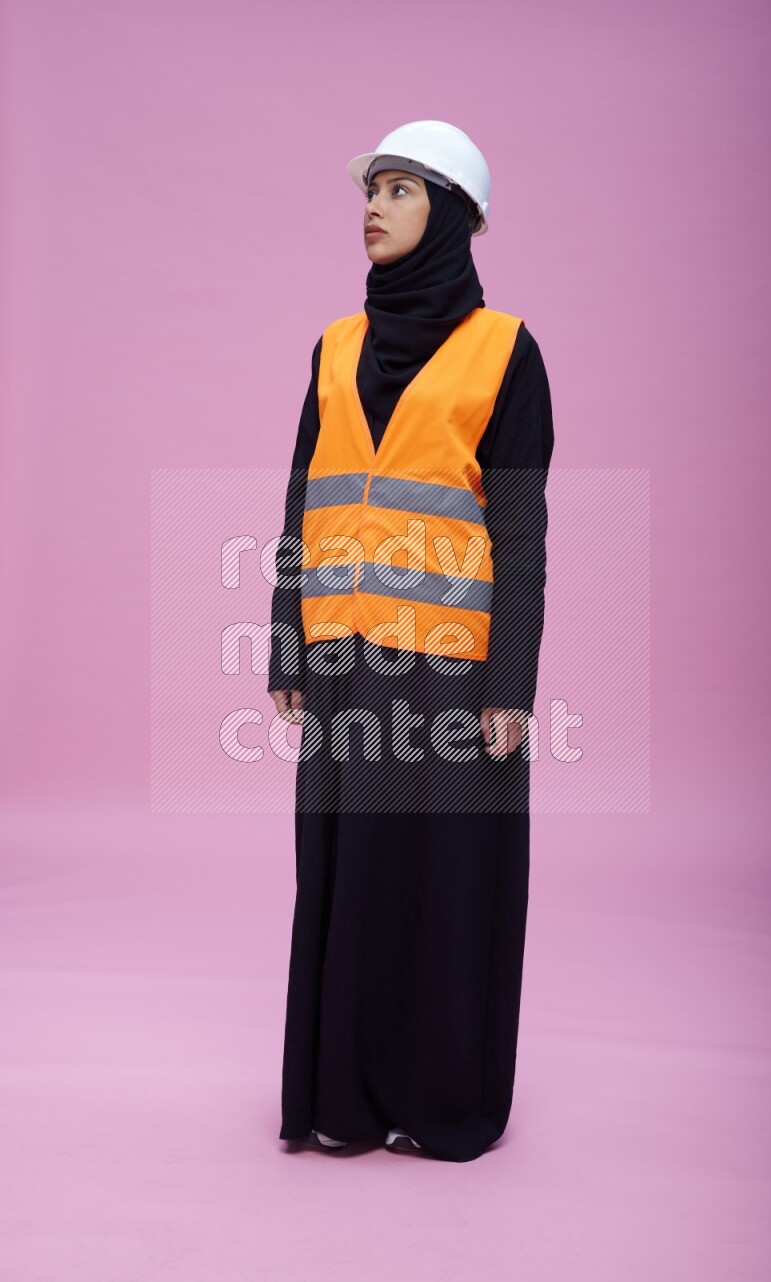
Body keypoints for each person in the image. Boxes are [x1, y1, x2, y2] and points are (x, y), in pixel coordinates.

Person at [267, 120, 554, 1163]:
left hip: (450, 673)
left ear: (454, 216)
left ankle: (439, 1100)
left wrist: (510, 686)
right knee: (345, 873)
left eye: (400, 190)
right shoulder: (335, 347)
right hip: (343, 659)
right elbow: (303, 498)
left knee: (443, 881)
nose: (373, 208)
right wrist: (286, 641)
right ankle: (342, 1100)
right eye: (371, 190)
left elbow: (518, 532)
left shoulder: (506, 351)